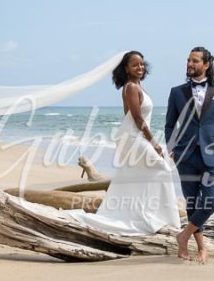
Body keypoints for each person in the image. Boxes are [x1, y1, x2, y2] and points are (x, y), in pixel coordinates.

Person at [67, 51, 181, 235]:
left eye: (142, 64)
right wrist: (154, 143)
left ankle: (145, 214)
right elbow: (137, 118)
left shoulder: (137, 86)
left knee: (138, 177)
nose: (140, 67)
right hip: (134, 137)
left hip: (132, 137)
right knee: (162, 168)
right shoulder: (130, 87)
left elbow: (128, 116)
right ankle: (157, 217)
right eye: (135, 65)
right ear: (126, 68)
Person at [165, 46, 214, 263]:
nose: (190, 64)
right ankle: (201, 247)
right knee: (193, 204)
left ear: (206, 65)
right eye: (188, 60)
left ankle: (183, 236)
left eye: (195, 61)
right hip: (186, 157)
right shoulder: (177, 92)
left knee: (210, 203)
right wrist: (173, 150)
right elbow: (169, 126)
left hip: (213, 157)